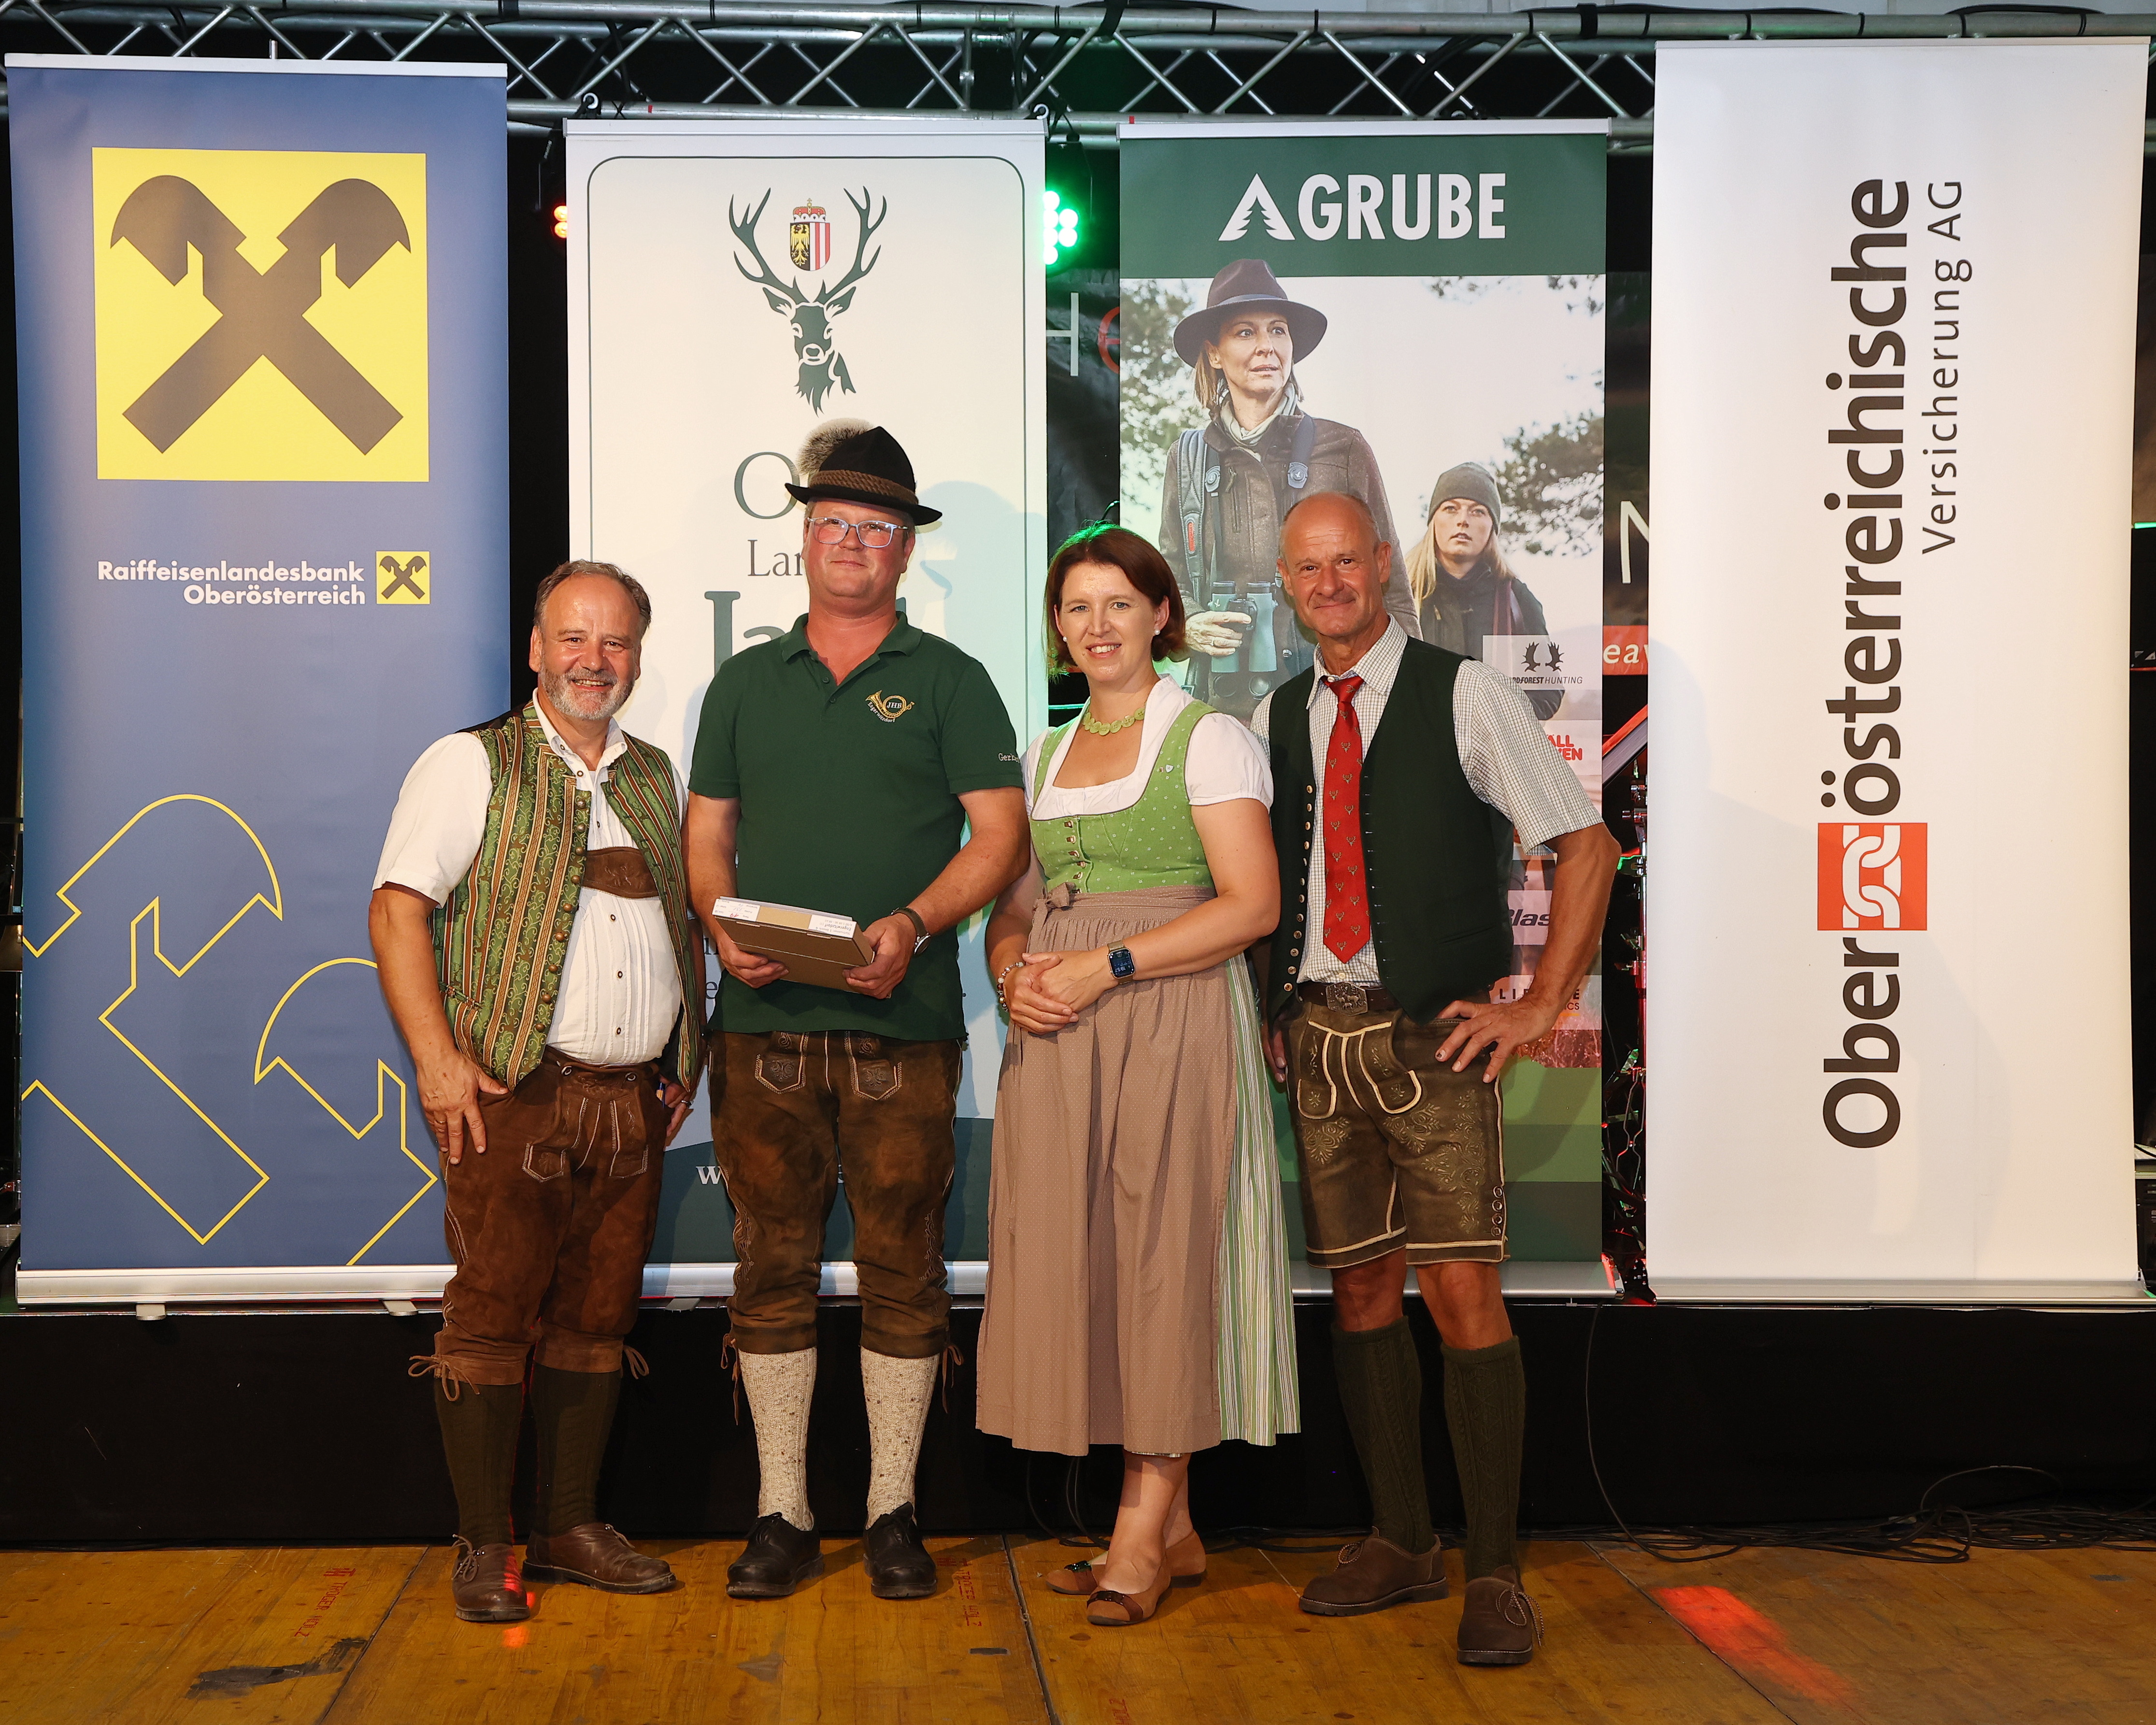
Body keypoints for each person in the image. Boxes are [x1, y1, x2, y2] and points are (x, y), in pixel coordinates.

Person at [1252, 493, 1617, 1665]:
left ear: (1380, 565)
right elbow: (1277, 880)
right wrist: (1273, 1005)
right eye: (1307, 568)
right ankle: (1401, 1542)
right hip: (1320, 1040)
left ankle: (1495, 1573)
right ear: (1284, 581)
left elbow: (1586, 845)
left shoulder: (1464, 692)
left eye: (1346, 562)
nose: (1329, 584)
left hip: (1434, 1040)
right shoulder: (1275, 712)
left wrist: (1540, 1002)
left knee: (1461, 1295)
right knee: (1361, 1294)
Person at [684, 420, 1030, 1604]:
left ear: (904, 549)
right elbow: (706, 836)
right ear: (804, 537)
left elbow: (999, 838)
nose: (851, 542)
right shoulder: (743, 682)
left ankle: (893, 1510)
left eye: (875, 527)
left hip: (905, 1028)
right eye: (832, 521)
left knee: (903, 1267)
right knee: (768, 1267)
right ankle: (781, 1511)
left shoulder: (951, 679)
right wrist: (719, 926)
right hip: (762, 1030)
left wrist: (917, 925)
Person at [371, 560, 704, 1624]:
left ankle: (567, 1528)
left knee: (597, 1318)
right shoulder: (469, 762)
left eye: (614, 642)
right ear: (535, 650)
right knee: (490, 1315)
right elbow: (396, 910)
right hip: (513, 1092)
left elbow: (682, 924)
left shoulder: (655, 775)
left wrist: (680, 1062)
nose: (593, 660)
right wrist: (436, 1060)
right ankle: (485, 1543)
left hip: (630, 1101)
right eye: (573, 638)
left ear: (637, 658)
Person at [977, 526, 1297, 1629]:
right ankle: (1177, 1527)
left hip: (1168, 1016)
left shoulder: (1208, 739)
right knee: (1098, 1264)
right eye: (1076, 607)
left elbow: (1250, 905)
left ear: (1162, 615)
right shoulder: (1044, 754)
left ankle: (1135, 1536)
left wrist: (1105, 966)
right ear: (1057, 630)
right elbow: (1016, 906)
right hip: (1062, 1030)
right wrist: (1014, 977)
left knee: (1165, 1257)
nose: (1097, 624)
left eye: (1119, 602)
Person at [1157, 259, 1416, 724]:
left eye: (1277, 330)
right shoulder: (1188, 457)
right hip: (1220, 711)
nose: (1266, 347)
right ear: (1213, 354)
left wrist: (1409, 702)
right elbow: (1169, 575)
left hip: (1334, 703)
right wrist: (1187, 623)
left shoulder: (1343, 448)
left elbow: (1390, 582)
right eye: (1245, 333)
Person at [1407, 463, 1563, 722]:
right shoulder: (1403, 597)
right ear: (1434, 521)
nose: (1463, 520)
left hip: (1493, 745)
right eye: (1451, 508)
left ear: (1492, 526)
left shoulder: (1515, 599)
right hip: (1419, 744)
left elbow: (1546, 693)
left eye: (1478, 511)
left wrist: (1495, 716)